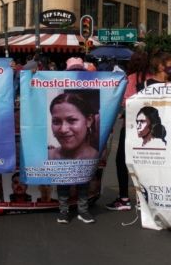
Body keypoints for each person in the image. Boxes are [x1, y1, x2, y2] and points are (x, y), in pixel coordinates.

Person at [105, 50, 150, 212]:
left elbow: (125, 103)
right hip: (149, 129)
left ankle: (124, 198)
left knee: (122, 161)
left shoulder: (129, 79)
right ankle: (142, 199)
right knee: (143, 163)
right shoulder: (152, 81)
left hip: (130, 127)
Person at [54, 58, 97, 225]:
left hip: (87, 145)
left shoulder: (91, 92)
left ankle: (82, 210)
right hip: (66, 151)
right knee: (63, 176)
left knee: (84, 175)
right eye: (57, 121)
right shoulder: (60, 91)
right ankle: (64, 210)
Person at [48, 90, 99, 160]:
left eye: (71, 120)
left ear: (88, 121)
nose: (63, 129)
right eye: (56, 121)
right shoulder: (46, 156)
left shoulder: (98, 159)